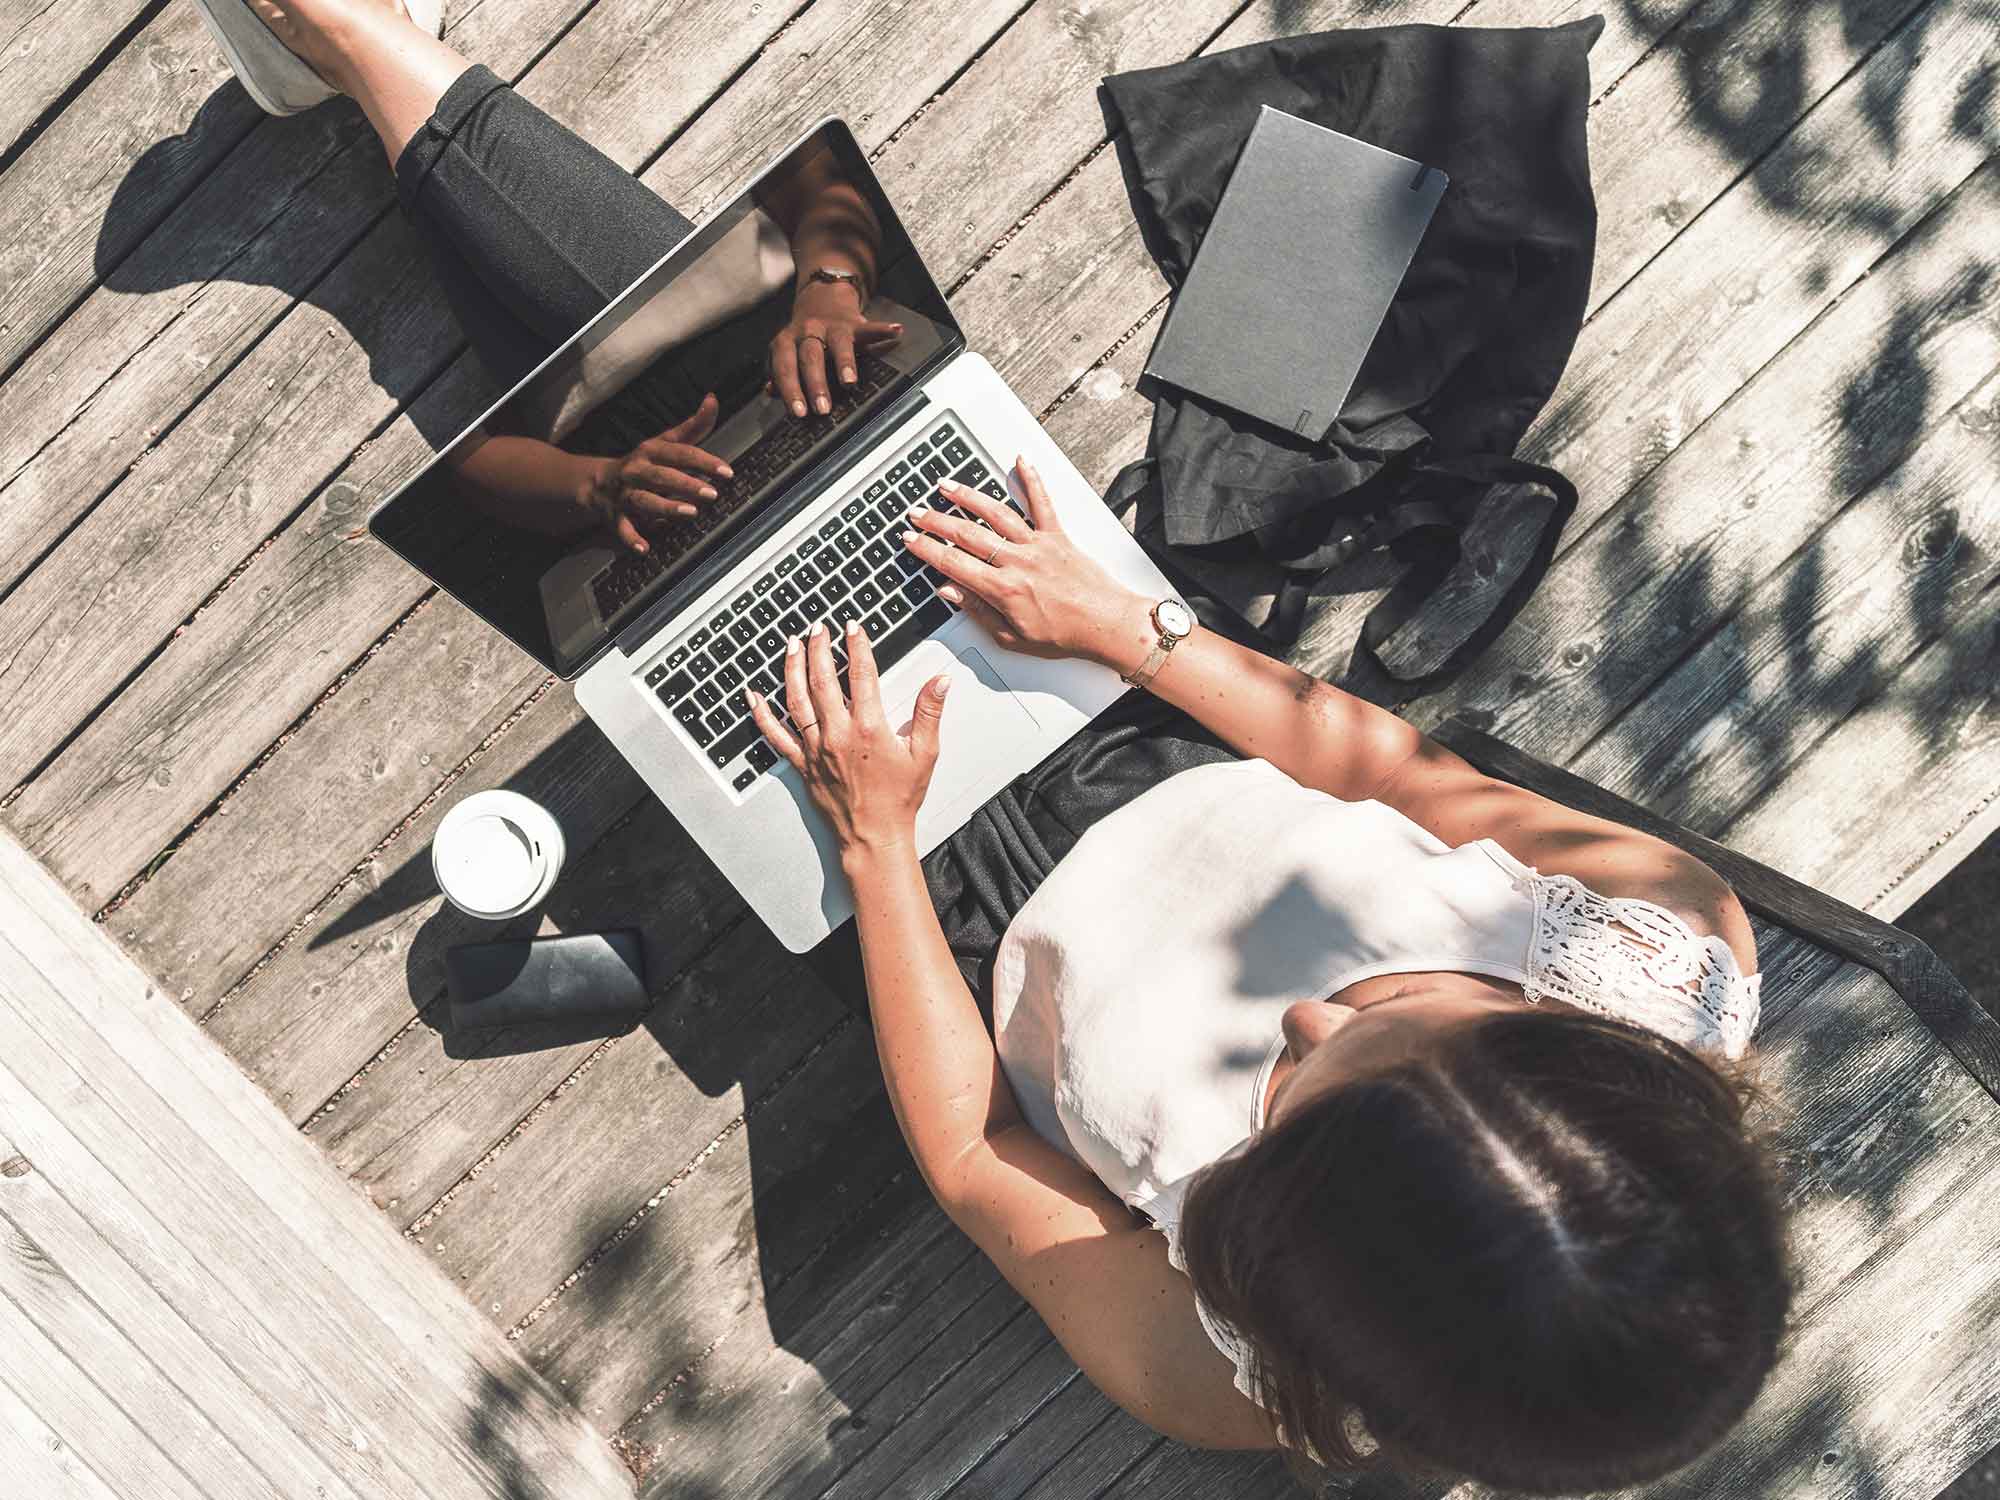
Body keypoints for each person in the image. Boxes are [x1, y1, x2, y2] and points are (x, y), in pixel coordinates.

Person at [197, 3, 1793, 1491]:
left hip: (946, 923)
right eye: (1372, 1020)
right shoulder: (1669, 951)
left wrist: (879, 847)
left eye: (1290, 1094)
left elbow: (974, 1155)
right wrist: (1130, 631)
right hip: (1160, 723)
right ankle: (386, 70)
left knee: (684, 541)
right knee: (853, 428)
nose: (1299, 1017)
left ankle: (372, 65)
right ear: (1590, 1046)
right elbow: (1386, 770)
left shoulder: (1230, 1370)